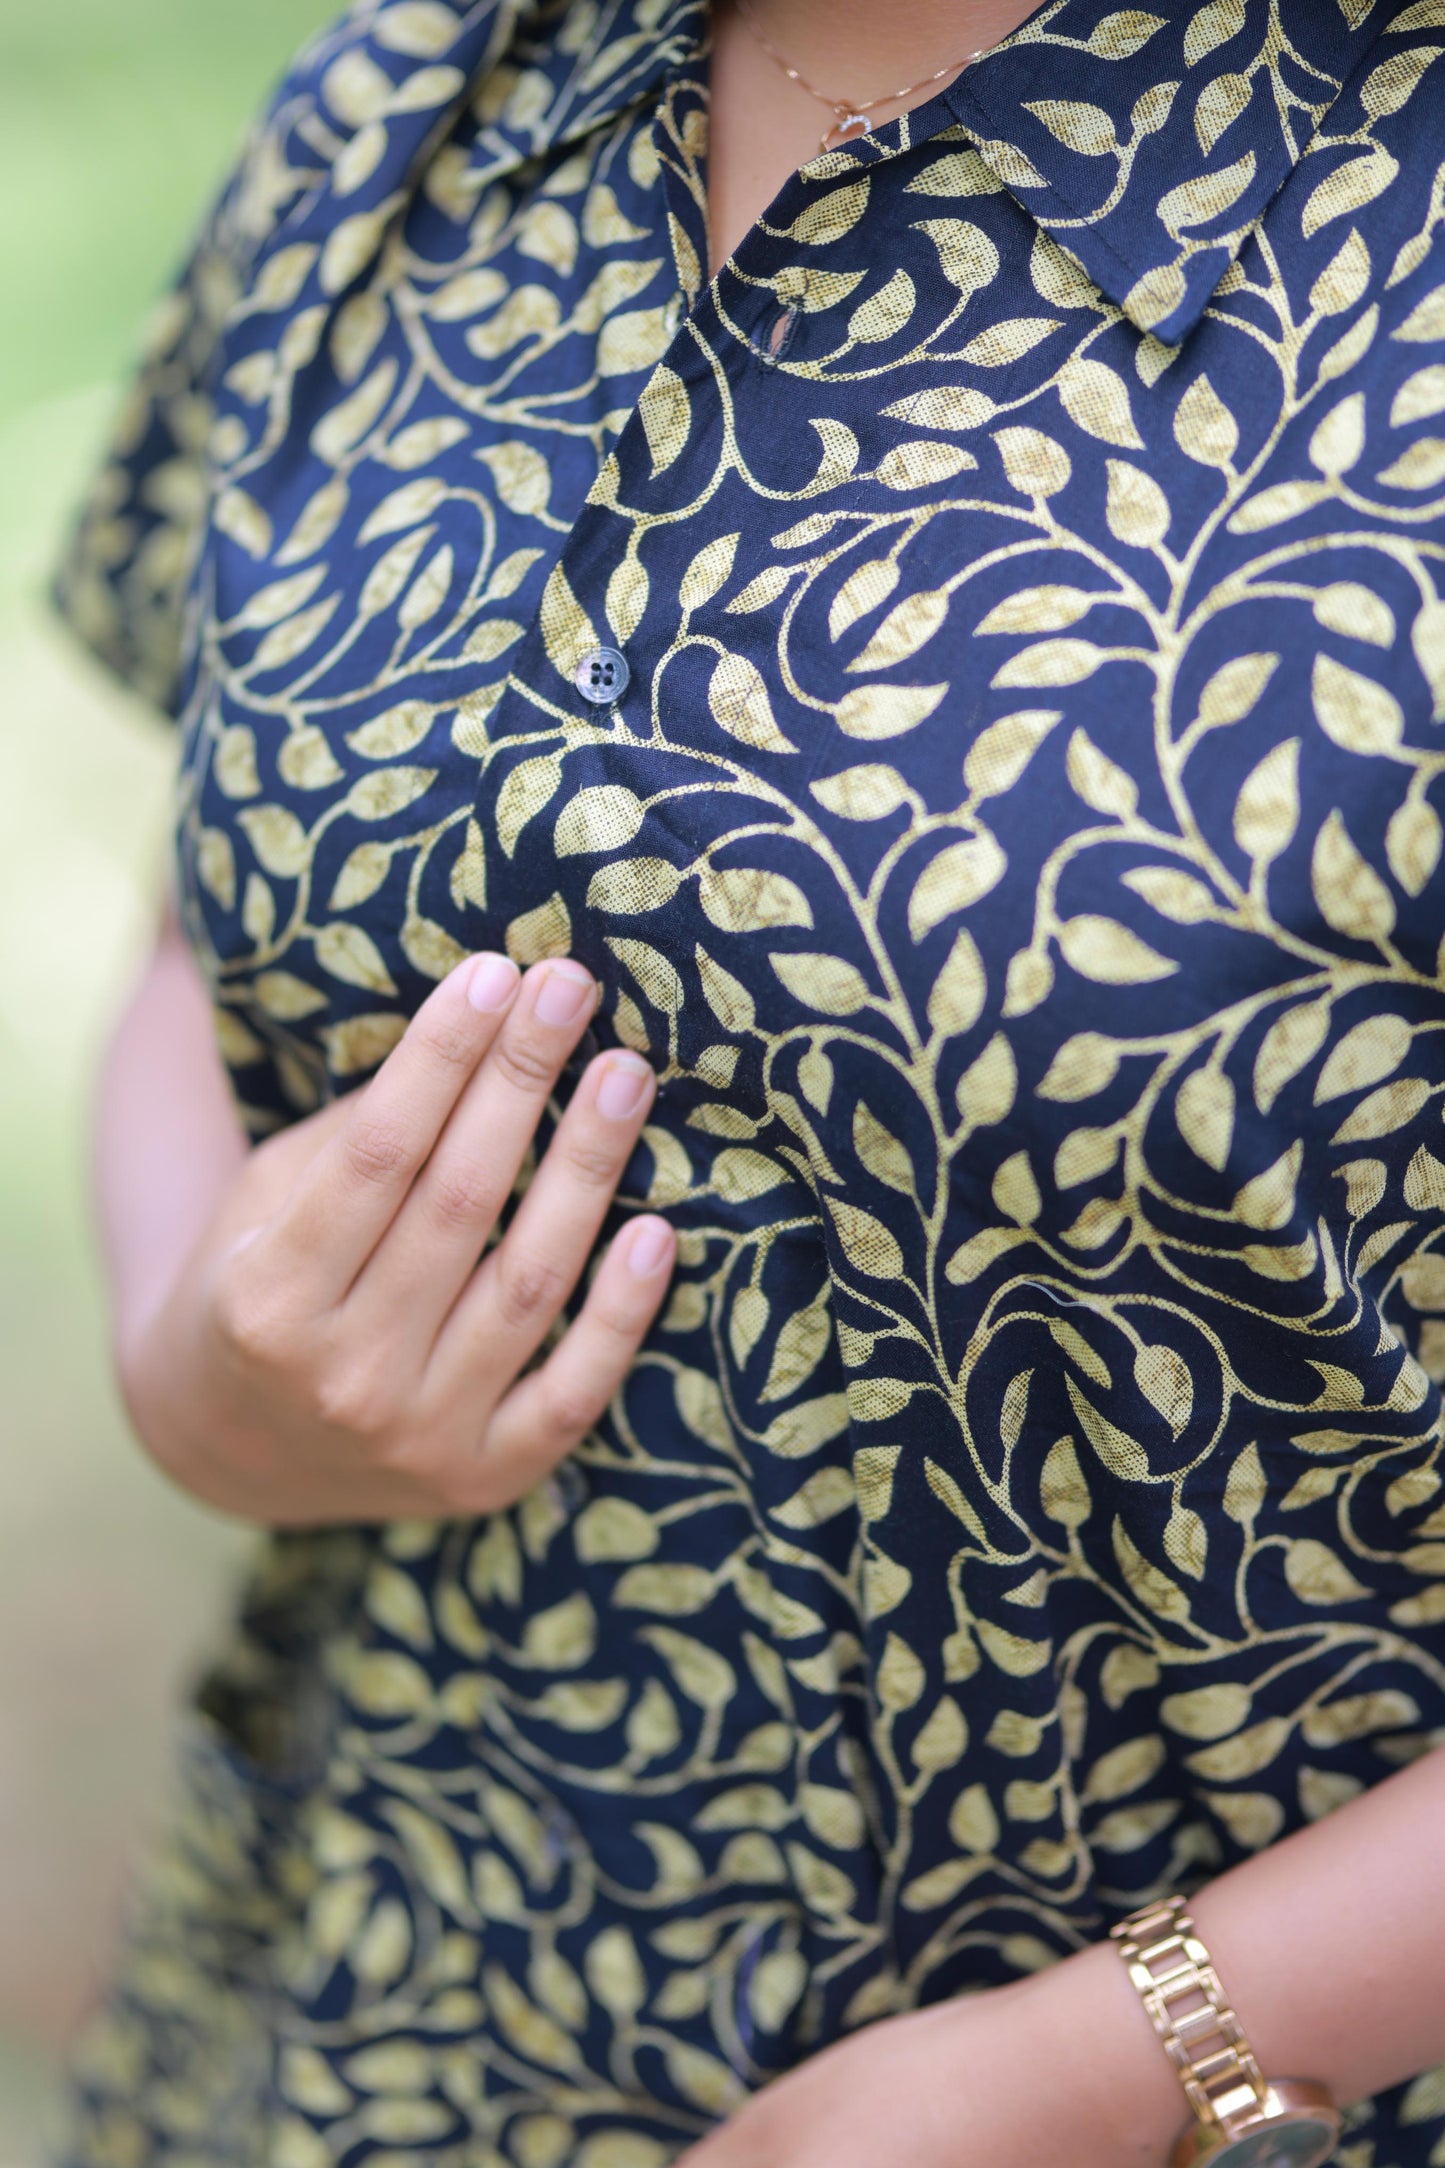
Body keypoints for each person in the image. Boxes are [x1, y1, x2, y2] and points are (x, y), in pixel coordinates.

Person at [49, 0, 1445, 2161]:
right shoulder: (406, 105)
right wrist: (192, 1357)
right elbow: (210, 911)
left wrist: (1120, 2060)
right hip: (365, 2030)